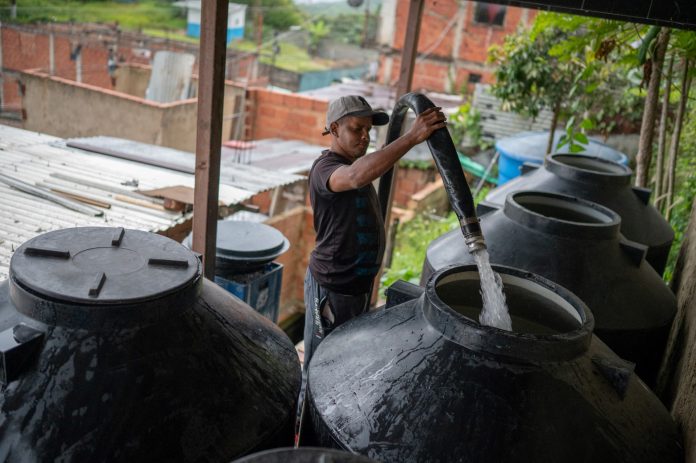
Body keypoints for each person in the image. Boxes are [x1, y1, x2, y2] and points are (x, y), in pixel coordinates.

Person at [303, 95, 447, 365]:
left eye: (369, 130)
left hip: (356, 288)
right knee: (320, 364)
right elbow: (357, 176)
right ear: (334, 129)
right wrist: (411, 137)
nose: (365, 136)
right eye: (357, 128)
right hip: (332, 287)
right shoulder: (326, 169)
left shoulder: (353, 165)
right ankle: (304, 409)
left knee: (343, 360)